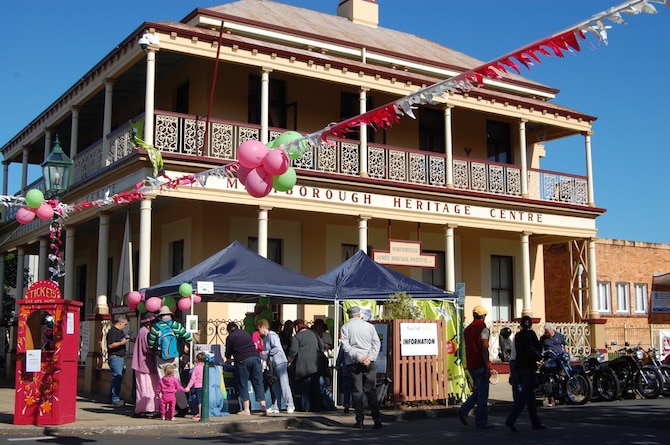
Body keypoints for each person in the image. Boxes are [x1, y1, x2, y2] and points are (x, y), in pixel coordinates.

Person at [340, 306, 382, 429]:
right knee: (371, 390)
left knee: (357, 391)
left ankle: (360, 420)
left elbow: (345, 346)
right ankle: (377, 418)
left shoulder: (346, 327)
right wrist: (370, 357)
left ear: (349, 315)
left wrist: (359, 357)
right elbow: (376, 343)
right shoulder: (369, 326)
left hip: (354, 362)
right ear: (359, 314)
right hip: (370, 362)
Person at [506, 316, 545, 432]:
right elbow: (537, 347)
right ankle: (511, 419)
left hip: (519, 366)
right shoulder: (531, 334)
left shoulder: (517, 336)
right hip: (528, 366)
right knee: (524, 397)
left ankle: (535, 422)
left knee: (530, 397)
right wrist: (542, 339)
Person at [457, 305, 492, 429]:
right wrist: (488, 366)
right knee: (483, 396)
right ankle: (481, 422)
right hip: (480, 364)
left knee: (478, 392)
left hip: (471, 364)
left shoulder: (468, 329)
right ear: (482, 316)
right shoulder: (483, 329)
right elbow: (484, 348)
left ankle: (464, 409)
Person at [225, 322, 267, 416]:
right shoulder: (246, 333)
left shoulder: (231, 337)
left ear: (229, 330)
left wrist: (228, 359)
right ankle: (263, 408)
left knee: (242, 383)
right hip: (256, 358)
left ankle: (246, 410)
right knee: (258, 383)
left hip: (242, 360)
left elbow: (228, 352)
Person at [256, 319, 295, 414]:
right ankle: (276, 406)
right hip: (274, 363)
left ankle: (290, 405)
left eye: (259, 329)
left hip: (280, 362)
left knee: (284, 384)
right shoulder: (267, 338)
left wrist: (267, 353)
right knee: (275, 386)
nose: (259, 332)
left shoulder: (272, 336)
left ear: (263, 327)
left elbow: (277, 348)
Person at [287, 319, 324, 412]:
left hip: (303, 367)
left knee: (305, 389)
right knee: (316, 388)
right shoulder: (314, 334)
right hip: (316, 365)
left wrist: (289, 361)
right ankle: (317, 407)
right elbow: (322, 346)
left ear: (296, 327)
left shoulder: (297, 337)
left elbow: (293, 351)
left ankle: (306, 407)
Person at [147, 306, 192, 378]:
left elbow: (151, 344)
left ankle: (164, 389)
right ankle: (175, 389)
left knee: (162, 376)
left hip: (161, 355)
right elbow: (188, 338)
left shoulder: (155, 328)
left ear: (160, 317)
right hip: (174, 354)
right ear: (170, 315)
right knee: (175, 375)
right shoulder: (177, 325)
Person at [131, 312, 160, 417]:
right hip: (144, 363)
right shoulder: (145, 332)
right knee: (145, 387)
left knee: (149, 386)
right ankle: (145, 408)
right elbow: (147, 348)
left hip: (145, 363)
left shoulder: (143, 331)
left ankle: (150, 407)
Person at [540, 322, 566, 407]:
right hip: (550, 360)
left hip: (560, 359)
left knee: (563, 377)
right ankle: (551, 399)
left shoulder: (560, 336)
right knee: (549, 378)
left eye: (547, 331)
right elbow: (540, 349)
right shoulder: (543, 339)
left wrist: (566, 353)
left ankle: (563, 396)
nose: (546, 333)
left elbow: (565, 345)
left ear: (552, 330)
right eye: (545, 331)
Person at [107, 315, 130, 407]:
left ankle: (112, 397)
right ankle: (115, 398)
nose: (124, 326)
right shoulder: (113, 332)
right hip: (115, 357)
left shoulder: (120, 332)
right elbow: (111, 345)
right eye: (124, 324)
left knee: (117, 377)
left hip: (119, 357)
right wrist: (122, 343)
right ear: (120, 323)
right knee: (117, 377)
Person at [185, 352, 206, 420]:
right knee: (204, 400)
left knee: (199, 401)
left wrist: (188, 387)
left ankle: (200, 414)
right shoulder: (206, 367)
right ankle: (204, 413)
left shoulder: (196, 368)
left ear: (197, 359)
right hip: (205, 386)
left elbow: (193, 378)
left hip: (198, 386)